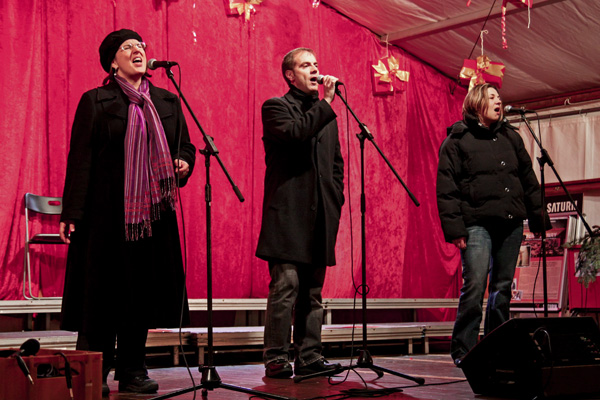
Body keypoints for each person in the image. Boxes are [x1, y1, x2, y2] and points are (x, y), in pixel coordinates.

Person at [59, 29, 195, 395]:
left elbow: (186, 145)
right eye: (127, 47)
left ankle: (133, 369)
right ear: (112, 62)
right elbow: (81, 160)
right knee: (101, 293)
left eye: (140, 46)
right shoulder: (97, 100)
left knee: (140, 293)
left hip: (151, 216)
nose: (137, 50)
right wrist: (72, 211)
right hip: (105, 216)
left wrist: (184, 161)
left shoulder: (167, 101)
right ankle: (94, 371)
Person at [436, 83, 550, 366]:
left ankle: (497, 346)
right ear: (476, 103)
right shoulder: (457, 140)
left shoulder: (512, 137)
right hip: (476, 224)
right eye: (491, 97)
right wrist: (456, 230)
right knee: (474, 286)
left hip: (510, 223)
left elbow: (528, 180)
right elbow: (446, 189)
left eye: (499, 97)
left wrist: (537, 218)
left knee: (502, 288)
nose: (498, 101)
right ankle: (464, 350)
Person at [256, 47, 345, 378]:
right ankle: (276, 357)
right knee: (286, 287)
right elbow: (295, 134)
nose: (315, 70)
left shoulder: (324, 115)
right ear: (290, 76)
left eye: (316, 64)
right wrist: (327, 104)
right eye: (306, 65)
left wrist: (336, 197)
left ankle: (309, 355)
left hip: (320, 215)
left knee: (313, 292)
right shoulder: (276, 107)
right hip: (288, 216)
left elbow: (336, 165)